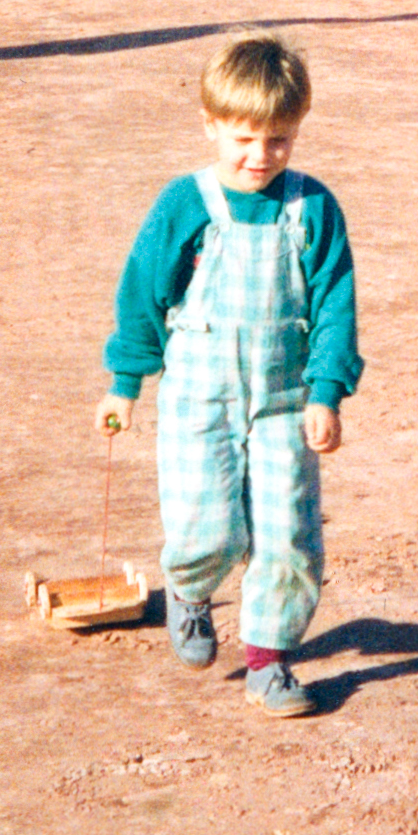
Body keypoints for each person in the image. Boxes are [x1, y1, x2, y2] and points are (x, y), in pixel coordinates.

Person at [96, 37, 360, 717]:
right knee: (206, 527)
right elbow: (143, 296)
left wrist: (326, 392)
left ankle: (269, 658)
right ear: (210, 124)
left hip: (284, 400)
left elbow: (335, 305)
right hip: (197, 397)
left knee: (287, 535)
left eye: (279, 140)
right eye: (244, 138)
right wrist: (125, 384)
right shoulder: (185, 205)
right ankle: (188, 592)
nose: (260, 157)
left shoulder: (314, 208)